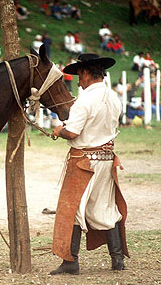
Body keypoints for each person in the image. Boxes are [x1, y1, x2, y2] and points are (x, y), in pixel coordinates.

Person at [50, 53, 129, 275]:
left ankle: (70, 261)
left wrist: (59, 130)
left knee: (72, 209)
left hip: (84, 161)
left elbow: (73, 132)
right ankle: (117, 259)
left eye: (79, 75)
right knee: (104, 208)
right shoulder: (114, 98)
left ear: (85, 73)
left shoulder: (84, 99)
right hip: (106, 160)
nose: (78, 80)